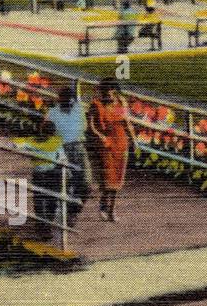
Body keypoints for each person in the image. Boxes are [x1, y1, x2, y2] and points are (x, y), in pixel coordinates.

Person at [87, 77, 134, 222]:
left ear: (114, 91)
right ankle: (104, 203)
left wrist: (133, 139)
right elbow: (91, 126)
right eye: (105, 91)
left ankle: (112, 210)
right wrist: (100, 136)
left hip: (120, 143)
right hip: (106, 144)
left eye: (110, 91)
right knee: (108, 177)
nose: (107, 94)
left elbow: (126, 122)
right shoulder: (96, 105)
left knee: (118, 179)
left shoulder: (121, 103)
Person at [45, 85, 90, 226]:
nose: (69, 104)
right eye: (66, 101)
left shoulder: (78, 110)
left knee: (86, 184)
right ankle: (48, 219)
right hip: (59, 149)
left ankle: (73, 212)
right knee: (57, 184)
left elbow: (85, 127)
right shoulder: (52, 112)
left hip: (78, 148)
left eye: (71, 101)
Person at [14, 117, 66, 235]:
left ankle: (45, 224)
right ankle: (43, 226)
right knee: (43, 200)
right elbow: (16, 144)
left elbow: (17, 144)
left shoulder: (50, 141)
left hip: (50, 174)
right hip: (44, 174)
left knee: (48, 200)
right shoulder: (44, 141)